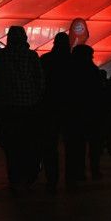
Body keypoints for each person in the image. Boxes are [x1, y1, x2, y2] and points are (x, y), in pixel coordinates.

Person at [0, 26, 44, 192]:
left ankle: (14, 178)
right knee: (27, 143)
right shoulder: (31, 56)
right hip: (28, 108)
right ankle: (28, 175)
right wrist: (35, 98)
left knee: (11, 147)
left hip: (7, 109)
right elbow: (40, 81)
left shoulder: (0, 57)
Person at [38, 32, 72, 188]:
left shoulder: (45, 60)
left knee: (50, 145)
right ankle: (71, 178)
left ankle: (52, 178)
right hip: (69, 107)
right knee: (71, 144)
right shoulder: (73, 61)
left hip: (49, 107)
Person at [68, 44, 106, 182]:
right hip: (92, 113)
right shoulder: (93, 71)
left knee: (78, 145)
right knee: (94, 144)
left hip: (76, 113)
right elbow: (100, 93)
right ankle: (94, 169)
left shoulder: (71, 72)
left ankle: (79, 171)